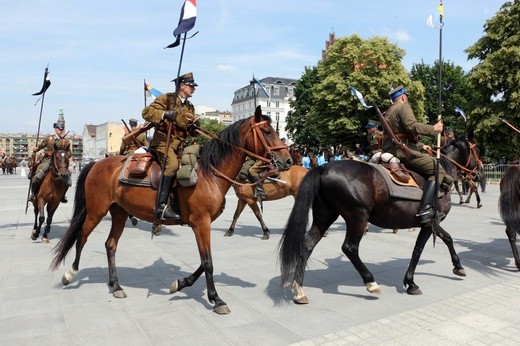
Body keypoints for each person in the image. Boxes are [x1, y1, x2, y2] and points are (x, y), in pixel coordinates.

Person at [381, 85, 454, 225]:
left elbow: (399, 135)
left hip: (391, 149)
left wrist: (421, 146)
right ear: (403, 97)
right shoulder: (403, 107)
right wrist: (434, 128)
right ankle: (426, 209)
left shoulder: (388, 112)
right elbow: (411, 126)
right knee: (437, 170)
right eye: (406, 97)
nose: (407, 99)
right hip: (402, 151)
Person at [142, 72, 199, 221]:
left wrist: (195, 125)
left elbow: (192, 132)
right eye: (191, 86)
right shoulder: (167, 99)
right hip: (163, 142)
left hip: (180, 144)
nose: (194, 89)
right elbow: (146, 112)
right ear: (182, 86)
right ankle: (160, 207)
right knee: (172, 164)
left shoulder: (190, 107)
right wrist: (165, 114)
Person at [28, 114, 72, 203]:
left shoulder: (65, 141)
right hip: (48, 160)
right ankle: (33, 194)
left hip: (60, 162)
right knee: (38, 175)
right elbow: (41, 146)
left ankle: (63, 195)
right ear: (56, 129)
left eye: (62, 129)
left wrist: (65, 156)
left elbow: (69, 152)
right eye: (60, 129)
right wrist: (36, 149)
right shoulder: (49, 138)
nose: (61, 131)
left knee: (68, 176)